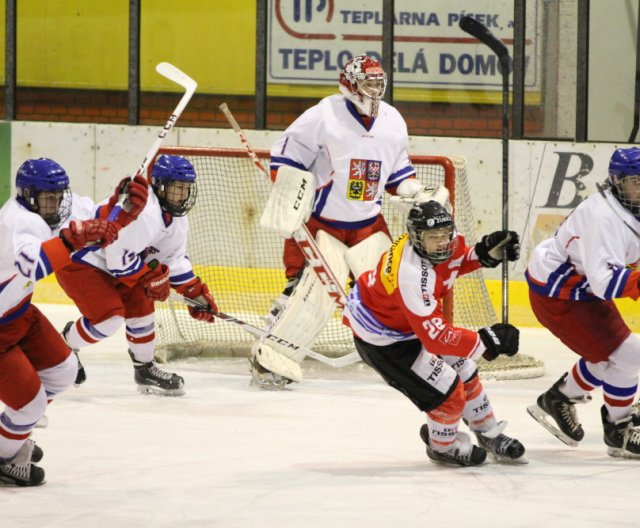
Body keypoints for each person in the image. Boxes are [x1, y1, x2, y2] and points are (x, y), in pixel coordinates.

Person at [252, 54, 443, 388]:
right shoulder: (323, 115)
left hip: (368, 222)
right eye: (368, 83)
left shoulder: (393, 120)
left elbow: (398, 172)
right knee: (313, 294)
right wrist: (288, 187)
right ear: (351, 84)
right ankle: (271, 359)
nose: (375, 89)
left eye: (379, 83)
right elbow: (286, 156)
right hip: (322, 223)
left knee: (396, 287)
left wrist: (415, 191)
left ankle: (408, 356)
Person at [342, 200, 525, 466]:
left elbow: (455, 261)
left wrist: (485, 253)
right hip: (385, 339)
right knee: (449, 393)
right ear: (417, 239)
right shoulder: (411, 275)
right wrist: (488, 341)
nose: (441, 243)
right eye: (432, 238)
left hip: (406, 324)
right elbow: (435, 337)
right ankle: (443, 447)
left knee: (465, 370)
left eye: (444, 236)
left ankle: (487, 432)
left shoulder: (442, 244)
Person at [55, 154, 218, 396]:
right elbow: (118, 259)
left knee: (142, 309)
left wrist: (195, 293)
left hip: (115, 264)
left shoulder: (177, 218)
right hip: (83, 260)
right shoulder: (145, 213)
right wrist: (149, 277)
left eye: (186, 188)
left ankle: (145, 369)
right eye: (177, 188)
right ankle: (62, 346)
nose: (183, 195)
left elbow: (173, 259)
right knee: (108, 319)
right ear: (161, 186)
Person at [0, 158, 120, 486]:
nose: (54, 204)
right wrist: (72, 240)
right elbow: (34, 266)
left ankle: (12, 433)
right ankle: (4, 455)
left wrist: (121, 205)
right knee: (30, 406)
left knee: (63, 371)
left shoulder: (42, 212)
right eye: (46, 197)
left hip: (19, 311)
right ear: (27, 195)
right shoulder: (20, 222)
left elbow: (92, 216)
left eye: (57, 196)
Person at [526, 146, 640, 459]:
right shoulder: (604, 220)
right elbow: (606, 284)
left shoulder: (630, 207)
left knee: (608, 357)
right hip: (559, 294)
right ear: (618, 183)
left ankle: (559, 399)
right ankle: (619, 429)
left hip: (579, 287)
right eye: (636, 182)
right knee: (628, 355)